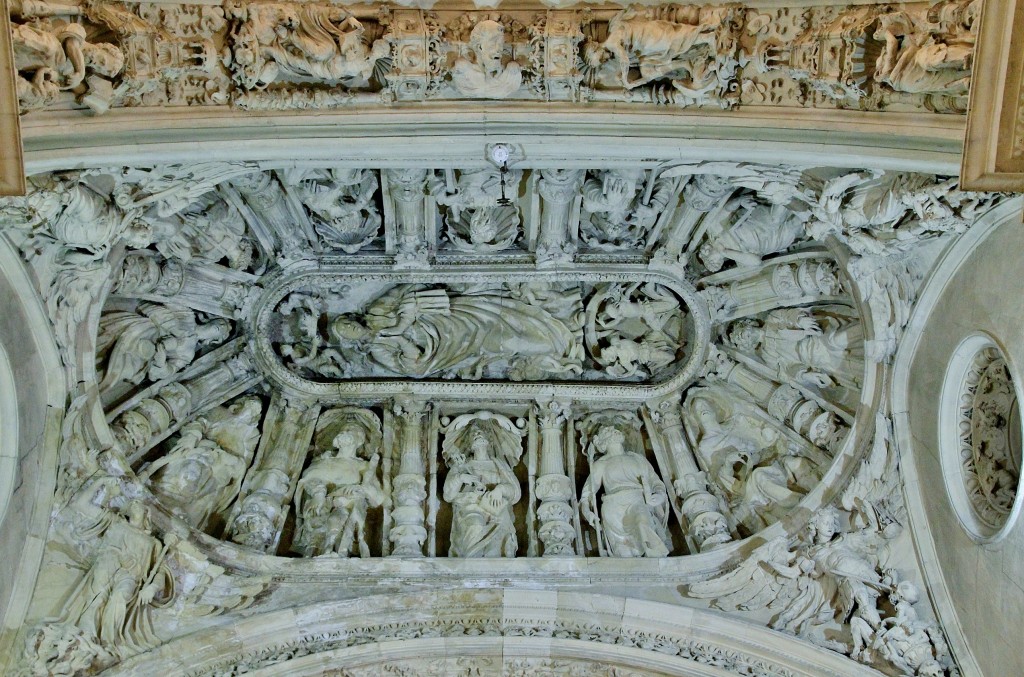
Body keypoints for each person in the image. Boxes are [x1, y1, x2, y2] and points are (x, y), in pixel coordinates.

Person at [579, 425, 670, 557]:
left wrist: (660, 495)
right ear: (602, 442)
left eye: (615, 430)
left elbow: (655, 481)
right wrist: (587, 512)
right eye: (607, 431)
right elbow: (587, 494)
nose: (613, 431)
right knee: (623, 551)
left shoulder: (638, 459)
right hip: (613, 507)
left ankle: (656, 555)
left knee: (642, 522)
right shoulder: (601, 464)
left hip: (637, 500)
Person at [443, 427, 521, 557]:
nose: (477, 434)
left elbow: (515, 493)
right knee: (475, 526)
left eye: (481, 433)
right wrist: (460, 478)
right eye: (473, 434)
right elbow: (448, 495)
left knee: (496, 545)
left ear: (489, 441)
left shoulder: (498, 465)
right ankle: (471, 566)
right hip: (470, 508)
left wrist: (500, 489)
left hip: (497, 509)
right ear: (469, 444)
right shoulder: (462, 465)